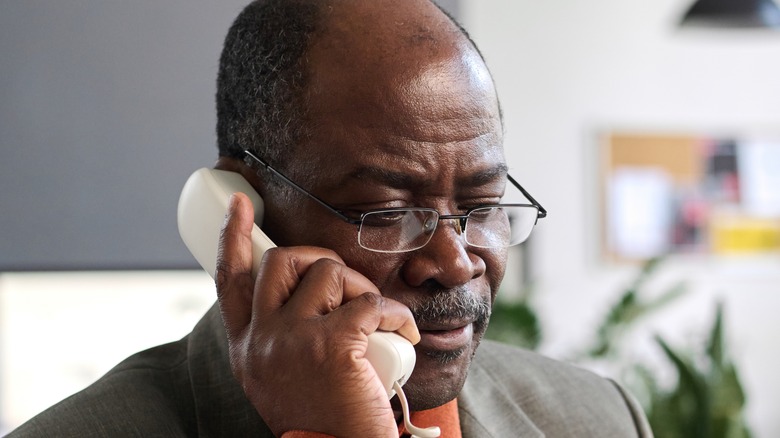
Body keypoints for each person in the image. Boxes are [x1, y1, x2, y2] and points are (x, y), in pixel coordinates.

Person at [8, 0, 653, 436]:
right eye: (387, 212)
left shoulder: (599, 416)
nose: (456, 262)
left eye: (481, 206)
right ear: (243, 213)